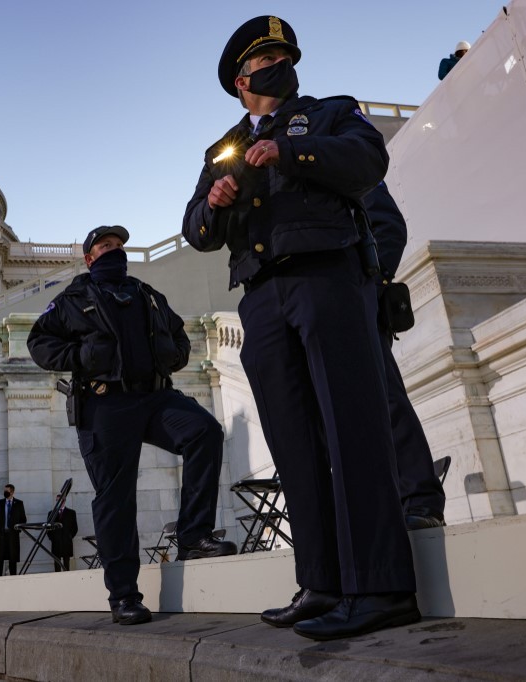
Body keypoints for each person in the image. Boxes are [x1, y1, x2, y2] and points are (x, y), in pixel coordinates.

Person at [182, 15, 419, 641]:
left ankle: (381, 585)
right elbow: (195, 228)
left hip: (326, 277)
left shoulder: (329, 112)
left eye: (283, 56)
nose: (279, 65)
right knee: (293, 444)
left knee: (352, 427)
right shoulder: (222, 149)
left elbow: (369, 159)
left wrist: (290, 152)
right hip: (261, 297)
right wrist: (214, 205)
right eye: (265, 60)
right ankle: (321, 582)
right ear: (241, 80)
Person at [27, 225, 236, 626]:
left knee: (204, 431)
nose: (115, 251)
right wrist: (81, 357)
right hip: (105, 404)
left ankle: (194, 537)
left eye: (119, 245)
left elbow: (178, 335)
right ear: (89, 258)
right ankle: (124, 596)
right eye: (106, 246)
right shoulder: (72, 299)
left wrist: (173, 355)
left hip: (155, 398)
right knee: (116, 498)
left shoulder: (147, 294)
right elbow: (39, 343)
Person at [365, 183, 446, 530]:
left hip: (355, 309)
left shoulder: (342, 158)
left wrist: (363, 288)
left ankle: (421, 500)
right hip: (312, 314)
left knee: (386, 402)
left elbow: (388, 226)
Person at [0, 484, 26, 576]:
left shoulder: (19, 504)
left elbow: (23, 520)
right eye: (4, 490)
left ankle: (13, 580)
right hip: (0, 536)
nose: (5, 492)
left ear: (12, 492)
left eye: (7, 491)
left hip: (12, 536)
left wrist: (17, 531)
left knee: (12, 560)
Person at [47, 494, 78, 571]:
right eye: (57, 500)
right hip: (56, 542)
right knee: (57, 564)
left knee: (66, 564)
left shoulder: (71, 513)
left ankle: (67, 577)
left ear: (64, 501)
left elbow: (75, 528)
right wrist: (52, 538)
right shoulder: (51, 513)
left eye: (61, 500)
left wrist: (69, 536)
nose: (59, 502)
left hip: (66, 542)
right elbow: (48, 528)